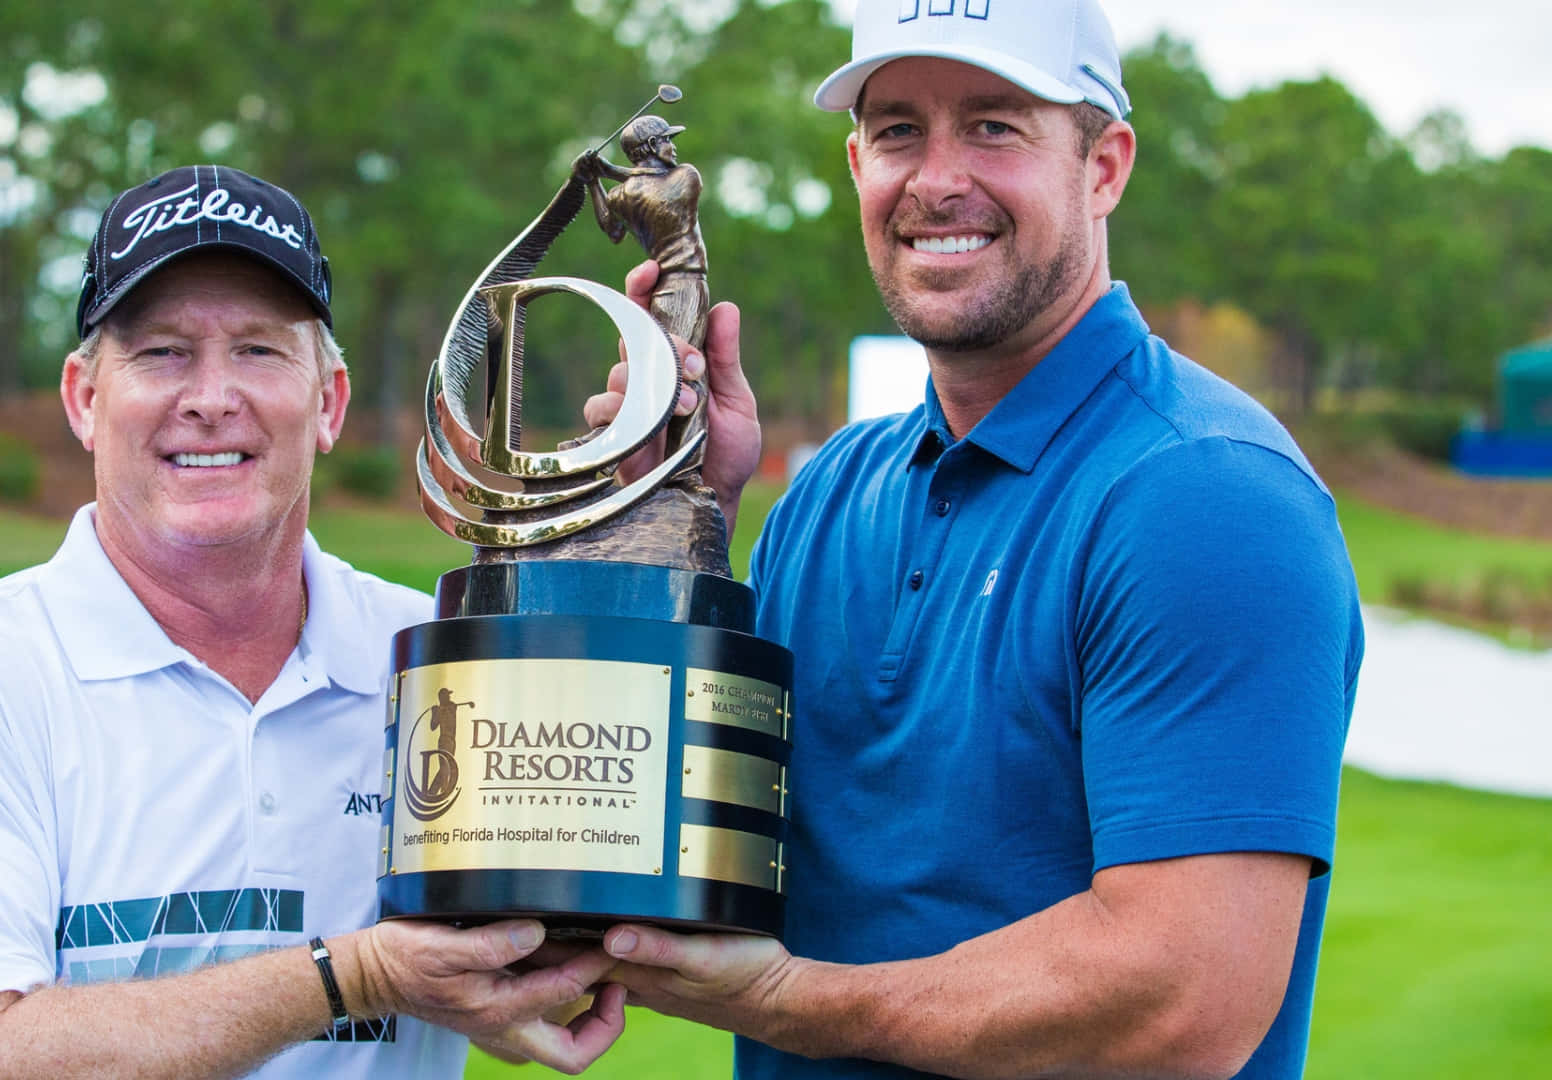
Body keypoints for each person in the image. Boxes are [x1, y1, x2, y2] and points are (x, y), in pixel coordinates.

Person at [581, 2, 1365, 1077]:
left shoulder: (1205, 497)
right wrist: (678, 524)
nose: (937, 180)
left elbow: (1183, 999)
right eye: (899, 130)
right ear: (857, 163)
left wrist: (785, 999)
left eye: (995, 126)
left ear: (1104, 166)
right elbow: (671, 838)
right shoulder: (826, 493)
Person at [0, 165, 624, 1080]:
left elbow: (554, 986)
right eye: (162, 351)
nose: (211, 396)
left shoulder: (441, 667)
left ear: (327, 403)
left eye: (257, 350)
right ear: (85, 400)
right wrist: (353, 975)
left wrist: (649, 520)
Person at [575, 116, 710, 349]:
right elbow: (650, 187)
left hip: (663, 287)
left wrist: (597, 178)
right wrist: (597, 178)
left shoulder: (620, 195)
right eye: (667, 140)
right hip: (687, 285)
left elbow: (613, 230)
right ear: (650, 146)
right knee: (680, 368)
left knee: (673, 362)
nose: (673, 147)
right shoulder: (687, 175)